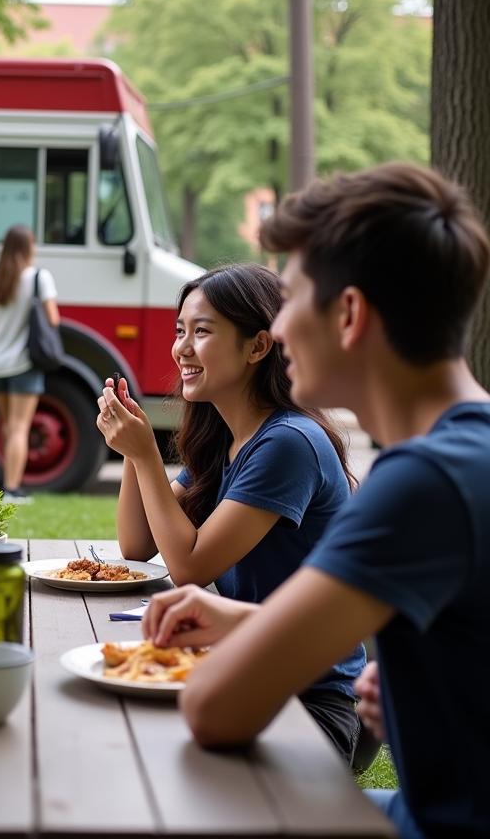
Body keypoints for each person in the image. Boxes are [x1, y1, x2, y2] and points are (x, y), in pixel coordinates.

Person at [141, 163, 490, 838]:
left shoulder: (422, 480)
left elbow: (215, 709)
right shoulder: (467, 451)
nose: (281, 325)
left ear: (350, 314)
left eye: (292, 297)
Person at [96, 263, 364, 764]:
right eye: (180, 331)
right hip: (244, 671)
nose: (182, 348)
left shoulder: (287, 443)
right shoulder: (227, 439)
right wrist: (135, 450)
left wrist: (147, 456)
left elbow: (191, 566)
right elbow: (138, 545)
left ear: (258, 346)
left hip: (308, 701)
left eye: (202, 331)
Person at [0, 225, 59, 503]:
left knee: (8, 425)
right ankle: (12, 489)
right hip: (23, 363)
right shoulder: (39, 277)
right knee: (19, 427)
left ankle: (7, 485)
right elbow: (53, 319)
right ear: (28, 248)